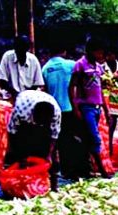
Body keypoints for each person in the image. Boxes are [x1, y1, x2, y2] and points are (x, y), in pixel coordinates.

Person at [69, 38, 111, 178]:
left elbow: (99, 90)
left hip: (97, 107)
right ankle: (102, 171)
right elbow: (71, 87)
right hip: (85, 107)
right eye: (99, 53)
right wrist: (75, 108)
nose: (101, 56)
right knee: (94, 138)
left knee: (88, 139)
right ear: (92, 51)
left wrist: (106, 110)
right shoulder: (80, 65)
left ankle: (87, 169)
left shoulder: (98, 67)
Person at [5, 90, 62, 191]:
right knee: (21, 154)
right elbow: (12, 132)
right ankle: (18, 185)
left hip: (44, 118)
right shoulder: (21, 110)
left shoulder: (56, 113)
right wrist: (17, 153)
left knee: (50, 156)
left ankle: (53, 185)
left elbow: (54, 136)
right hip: (24, 122)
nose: (39, 125)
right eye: (38, 121)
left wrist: (49, 154)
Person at [42, 45, 81, 179]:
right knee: (70, 140)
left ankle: (59, 170)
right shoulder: (71, 65)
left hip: (52, 109)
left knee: (55, 140)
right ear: (63, 51)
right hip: (70, 108)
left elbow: (45, 90)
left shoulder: (45, 68)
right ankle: (72, 170)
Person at [0, 35, 45, 101]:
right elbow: (0, 79)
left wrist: (26, 95)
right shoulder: (7, 56)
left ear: (27, 49)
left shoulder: (33, 60)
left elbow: (38, 83)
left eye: (23, 50)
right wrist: (13, 93)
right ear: (15, 48)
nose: (20, 53)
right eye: (18, 50)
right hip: (11, 97)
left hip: (29, 98)